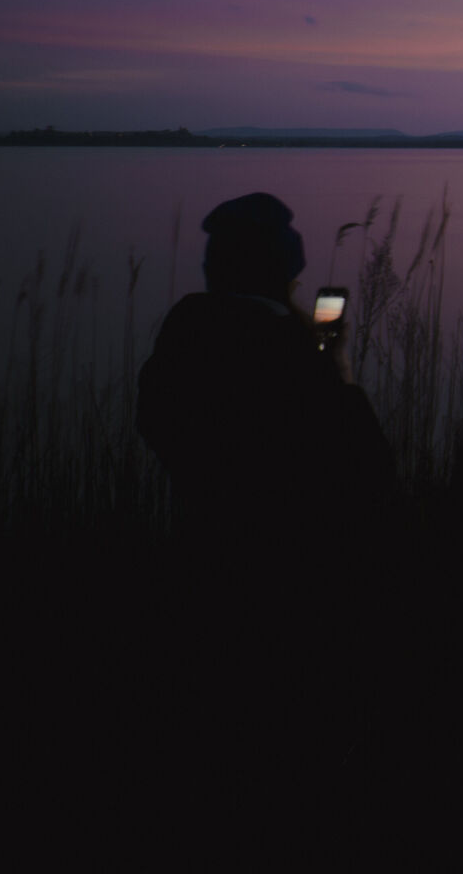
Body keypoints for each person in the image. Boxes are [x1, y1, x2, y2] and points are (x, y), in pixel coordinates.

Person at [135, 191, 394, 774]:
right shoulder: (296, 357)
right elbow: (372, 470)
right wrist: (340, 371)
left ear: (214, 266)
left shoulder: (185, 336)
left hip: (203, 572)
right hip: (294, 594)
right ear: (288, 268)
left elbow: (154, 421)